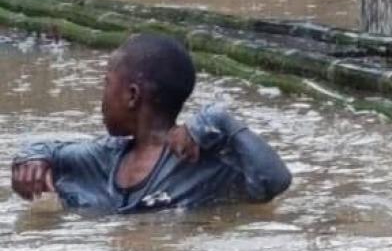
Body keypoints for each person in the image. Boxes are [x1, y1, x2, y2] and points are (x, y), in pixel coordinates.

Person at [10, 33, 292, 213]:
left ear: (132, 95)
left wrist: (220, 119)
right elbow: (48, 150)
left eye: (107, 84)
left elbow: (275, 181)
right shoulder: (105, 156)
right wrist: (32, 159)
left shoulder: (203, 163)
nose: (102, 98)